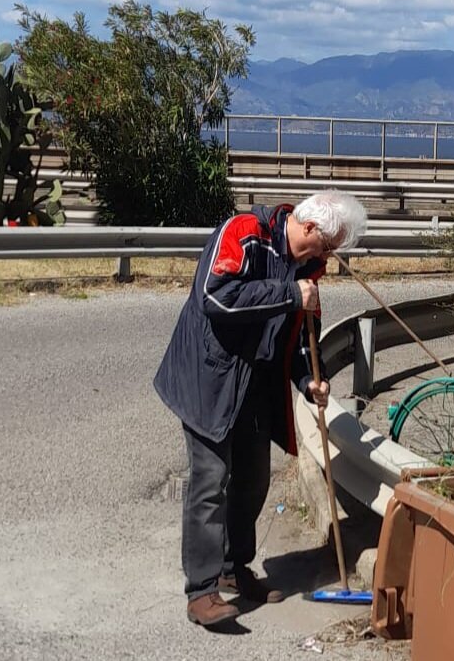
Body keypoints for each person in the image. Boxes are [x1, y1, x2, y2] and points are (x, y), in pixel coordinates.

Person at [153, 190, 367, 627]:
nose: (327, 255)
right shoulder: (244, 233)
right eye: (327, 245)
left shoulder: (308, 272)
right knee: (210, 480)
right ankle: (201, 590)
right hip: (208, 378)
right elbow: (217, 297)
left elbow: (302, 340)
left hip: (254, 386)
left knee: (252, 482)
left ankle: (234, 568)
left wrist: (311, 381)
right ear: (309, 227)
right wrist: (289, 294)